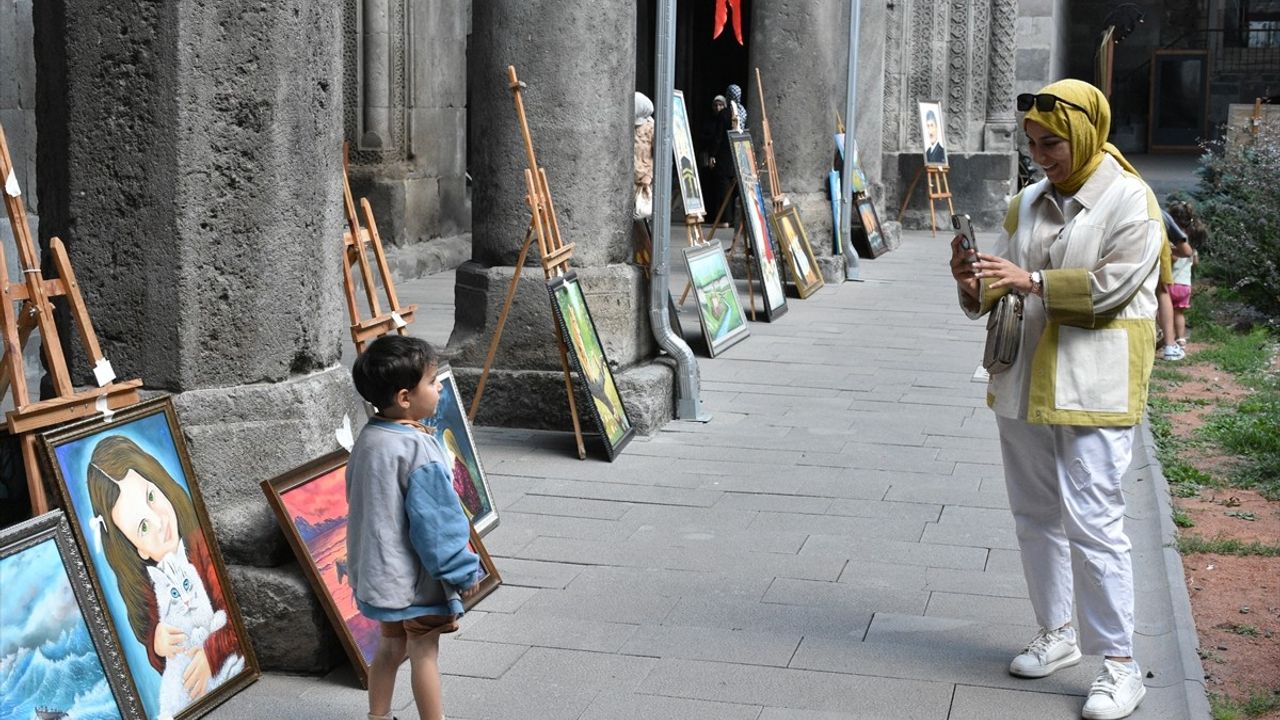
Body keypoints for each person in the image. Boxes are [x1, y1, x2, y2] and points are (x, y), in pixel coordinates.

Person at [950, 79, 1162, 720]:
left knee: (1095, 523)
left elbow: (1112, 290)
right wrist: (973, 282)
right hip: (1023, 378)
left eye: (1052, 144)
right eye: (1033, 144)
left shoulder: (1132, 202)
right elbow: (1005, 289)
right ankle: (1059, 633)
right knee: (1034, 515)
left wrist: (1033, 278)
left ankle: (1121, 667)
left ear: (1088, 134)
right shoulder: (1028, 204)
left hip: (1094, 385)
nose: (1041, 155)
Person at [347, 335, 482, 720]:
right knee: (424, 652)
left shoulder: (370, 438)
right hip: (416, 580)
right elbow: (437, 523)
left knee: (389, 649)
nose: (439, 387)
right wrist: (460, 569)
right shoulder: (419, 450)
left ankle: (378, 716)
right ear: (405, 397)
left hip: (381, 575)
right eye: (432, 381)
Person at [87, 436, 243, 710]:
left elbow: (232, 616)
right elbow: (155, 641)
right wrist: (156, 646)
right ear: (139, 551)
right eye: (143, 528)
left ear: (159, 482)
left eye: (151, 497)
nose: (159, 521)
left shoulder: (198, 546)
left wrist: (212, 653)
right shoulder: (149, 584)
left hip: (224, 666)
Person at [1166, 200, 1205, 347]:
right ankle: (1181, 339)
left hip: (1171, 284)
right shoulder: (1191, 242)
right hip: (1185, 285)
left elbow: (1174, 259)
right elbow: (1195, 262)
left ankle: (1167, 336)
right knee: (1179, 314)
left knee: (1164, 311)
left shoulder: (1174, 241)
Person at [633, 92, 655, 221]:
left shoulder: (651, 128)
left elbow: (658, 156)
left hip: (643, 181)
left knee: (641, 216)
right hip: (629, 179)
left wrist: (649, 175)